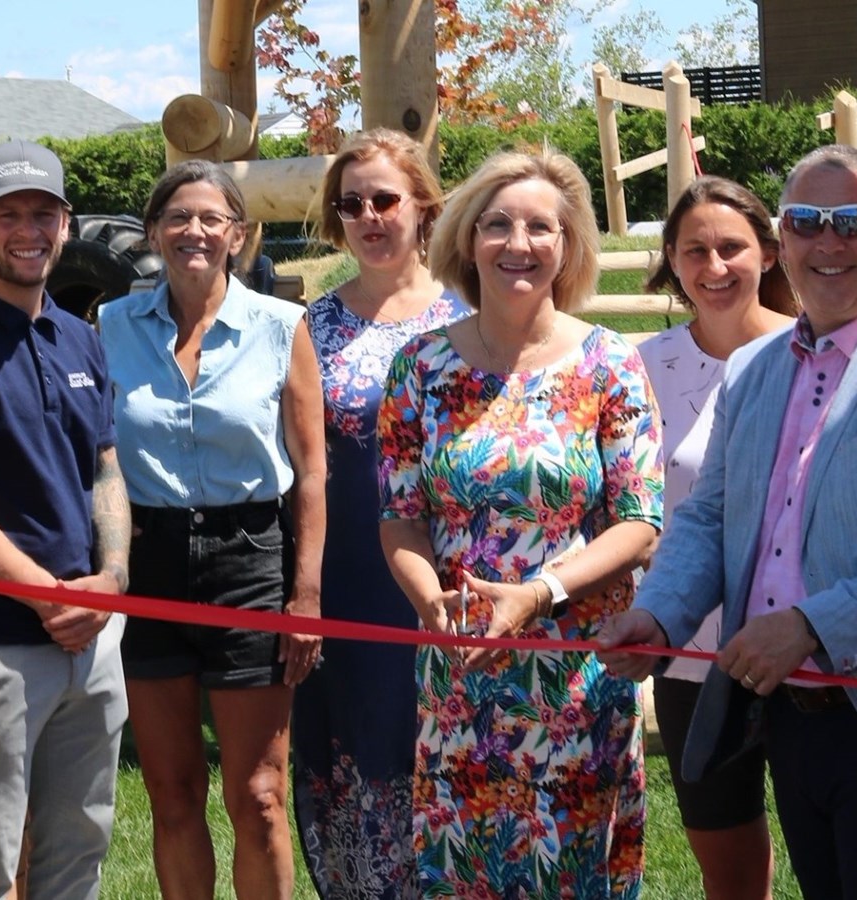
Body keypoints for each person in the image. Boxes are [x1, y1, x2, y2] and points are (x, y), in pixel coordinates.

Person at [598, 144, 857, 898]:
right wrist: (660, 616)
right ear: (786, 240)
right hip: (789, 724)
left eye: (852, 221)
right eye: (806, 221)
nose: (827, 241)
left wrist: (810, 626)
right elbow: (706, 520)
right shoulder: (755, 368)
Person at [376, 149, 663, 897]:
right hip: (460, 679)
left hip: (575, 682)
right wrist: (430, 602)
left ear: (568, 247)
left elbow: (641, 520)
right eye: (498, 224)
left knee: (570, 878)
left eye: (541, 227)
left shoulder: (610, 365)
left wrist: (537, 592)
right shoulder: (419, 368)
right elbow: (400, 518)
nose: (519, 243)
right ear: (468, 240)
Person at [97, 160, 327, 900]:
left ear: (238, 234)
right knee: (171, 791)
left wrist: (306, 596)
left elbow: (313, 471)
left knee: (258, 794)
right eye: (177, 217)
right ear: (154, 232)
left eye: (210, 219)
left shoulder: (280, 326)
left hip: (251, 558)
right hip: (149, 560)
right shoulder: (109, 326)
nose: (193, 231)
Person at [0, 140, 131, 900]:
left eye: (44, 213)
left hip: (94, 643)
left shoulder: (81, 335)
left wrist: (112, 581)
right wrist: (49, 596)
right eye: (8, 214)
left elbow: (105, 470)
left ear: (67, 223)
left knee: (76, 859)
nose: (30, 229)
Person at [293, 128, 468, 899]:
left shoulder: (474, 312)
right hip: (353, 582)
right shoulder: (315, 325)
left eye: (385, 199)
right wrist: (306, 593)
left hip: (460, 572)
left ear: (423, 206)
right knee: (361, 760)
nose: (369, 216)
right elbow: (310, 470)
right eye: (351, 204)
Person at [636, 175, 796, 900]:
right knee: (726, 866)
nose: (714, 266)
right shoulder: (641, 365)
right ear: (671, 259)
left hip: (804, 647)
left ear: (768, 252)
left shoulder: (810, 354)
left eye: (732, 247)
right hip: (689, 649)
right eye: (694, 250)